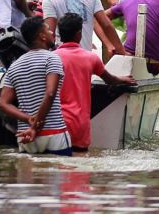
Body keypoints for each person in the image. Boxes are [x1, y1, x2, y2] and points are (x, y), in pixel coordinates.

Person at [55, 12, 135, 151]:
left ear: (60, 34)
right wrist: (123, 79)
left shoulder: (52, 57)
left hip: (54, 123)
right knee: (79, 161)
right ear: (79, 34)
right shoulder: (91, 58)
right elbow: (110, 79)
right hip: (80, 124)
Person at [0, 16, 72, 156]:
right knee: (63, 169)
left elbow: (2, 103)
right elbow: (50, 93)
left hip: (24, 136)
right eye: (48, 30)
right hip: (53, 132)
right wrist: (35, 126)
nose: (52, 33)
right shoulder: (52, 58)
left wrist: (28, 119)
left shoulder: (14, 66)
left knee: (31, 170)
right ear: (42, 36)